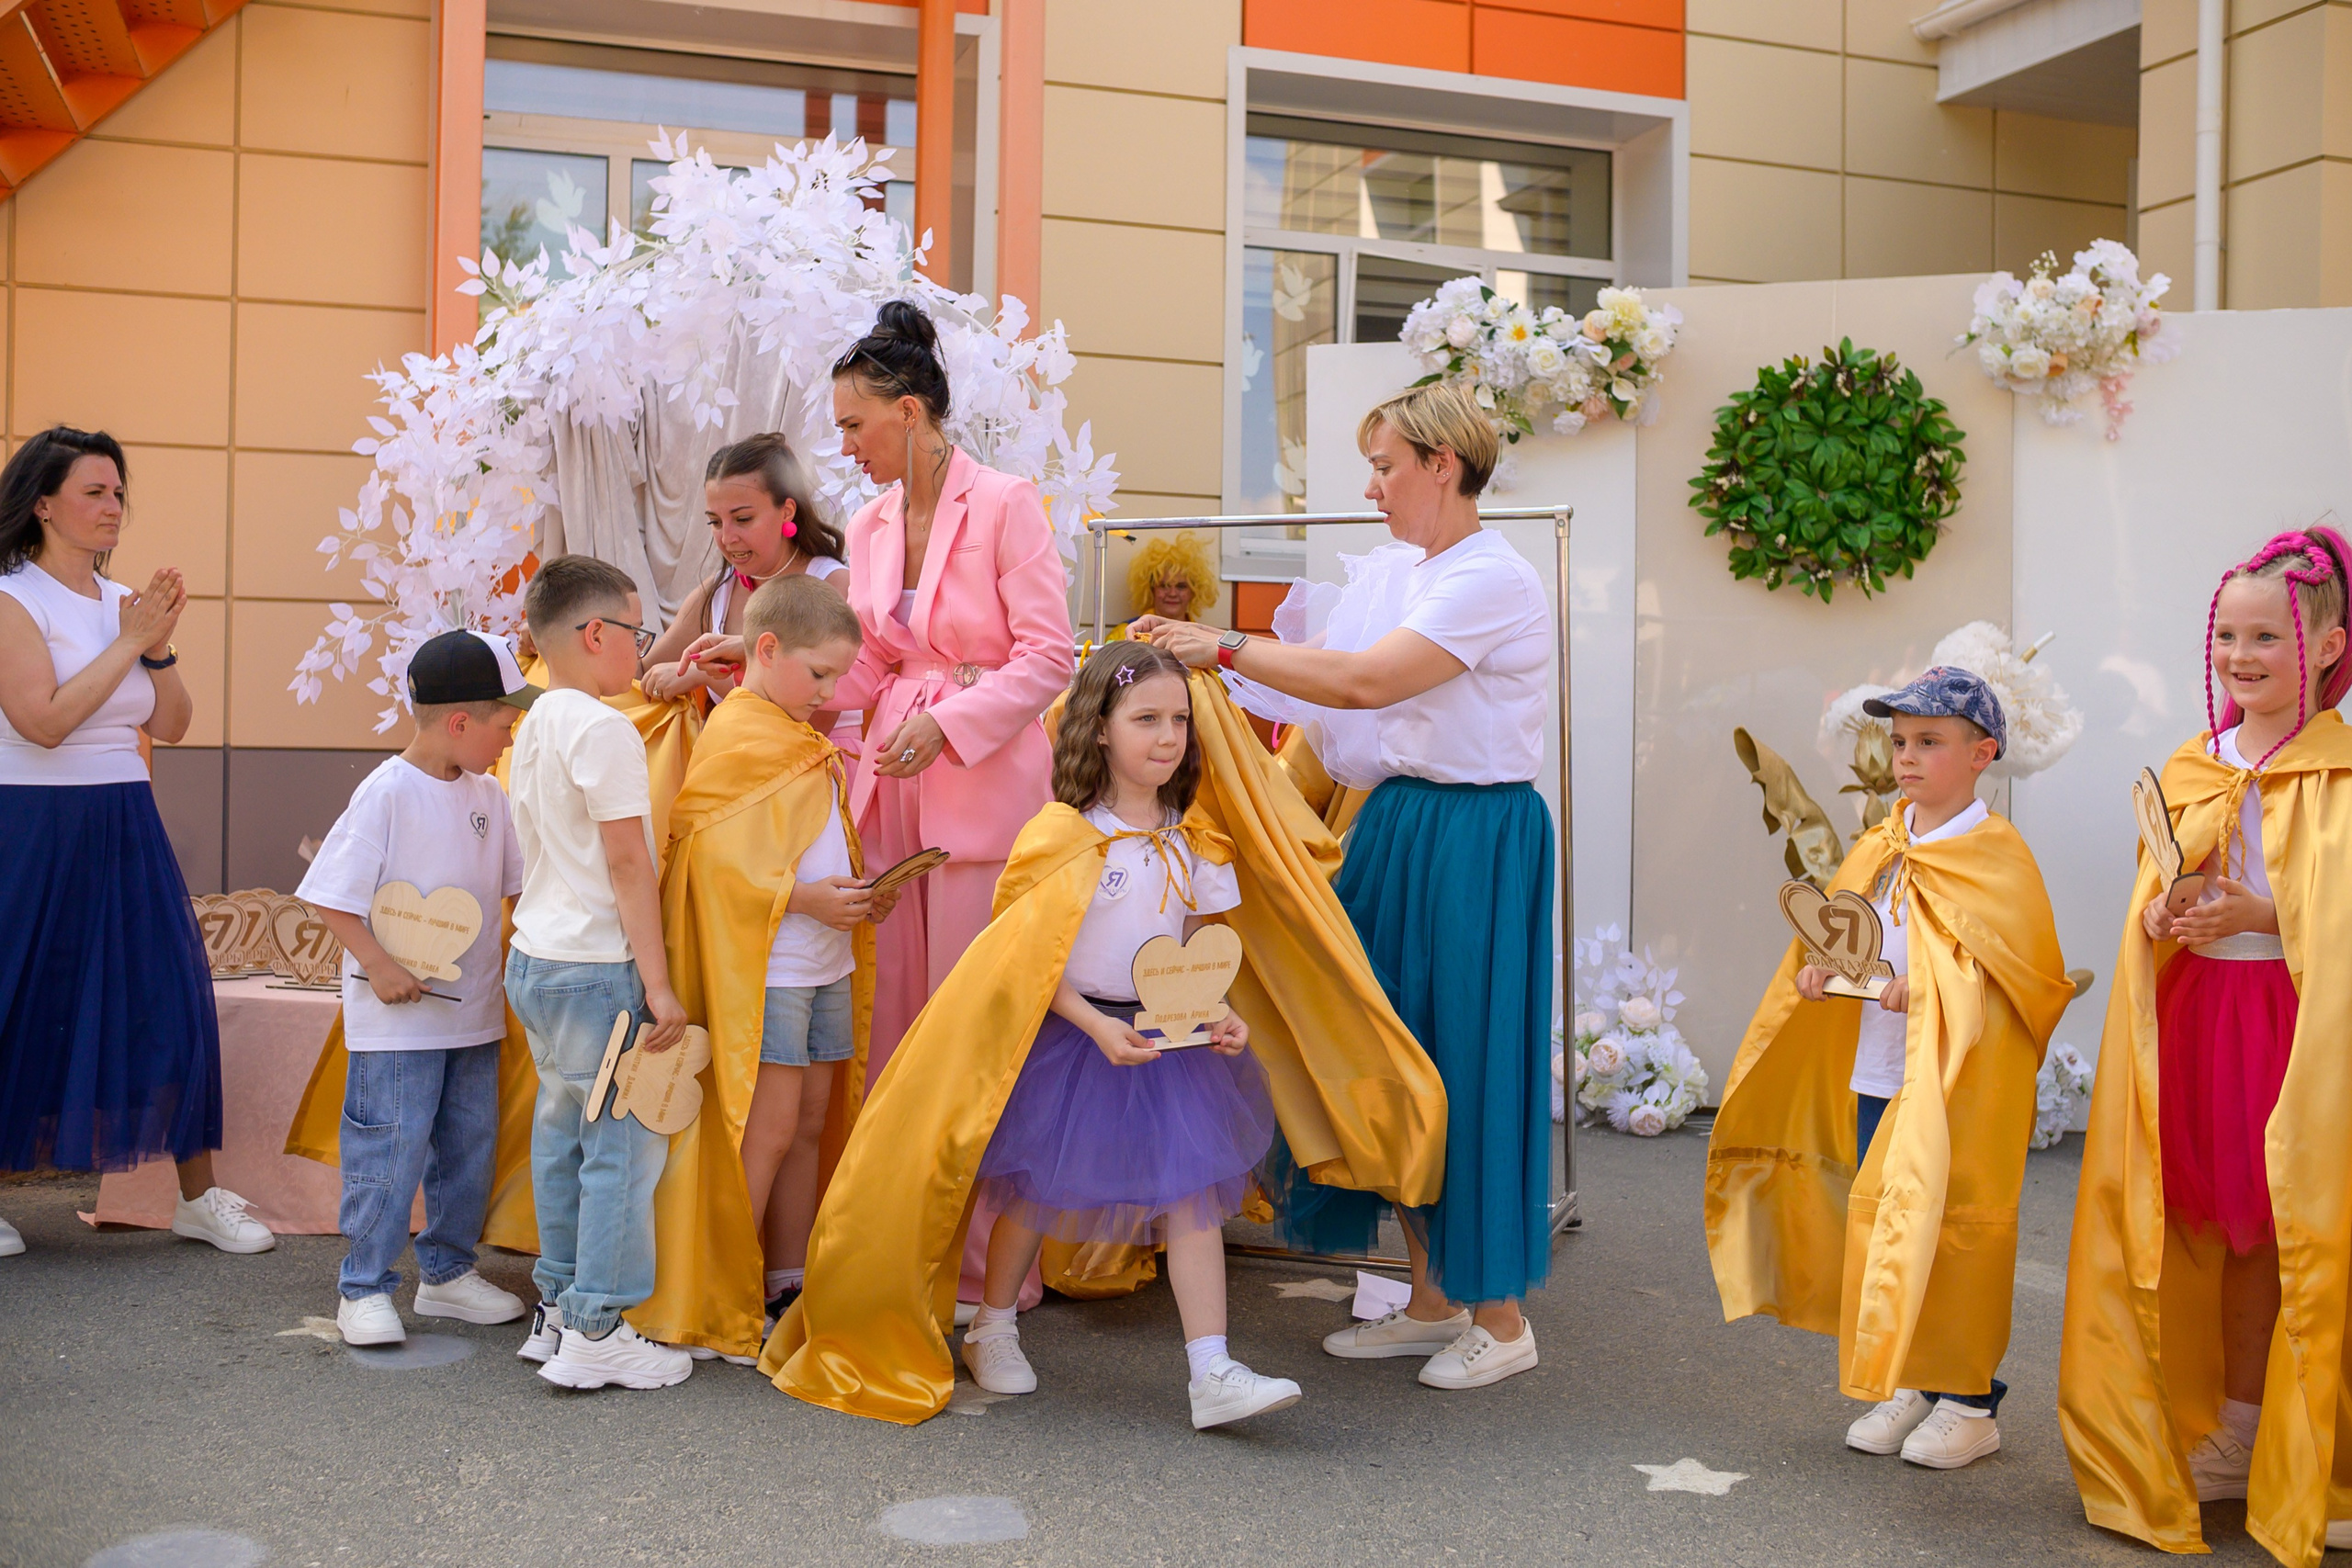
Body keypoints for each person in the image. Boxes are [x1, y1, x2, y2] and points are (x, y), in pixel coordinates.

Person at [763, 660, 1448, 1425]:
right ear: (1099, 729)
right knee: (1039, 1185)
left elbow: (1196, 948)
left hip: (1167, 1041)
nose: (1167, 737)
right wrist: (1093, 1023)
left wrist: (1217, 1012)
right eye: (1145, 719)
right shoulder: (1062, 836)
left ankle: (1210, 1368)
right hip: (1077, 1034)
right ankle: (992, 1325)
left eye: (1179, 721)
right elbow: (1025, 957)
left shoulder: (1197, 840)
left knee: (1192, 1194)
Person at [1136, 379, 1554, 1391]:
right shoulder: (1411, 572)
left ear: (1440, 466)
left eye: (1382, 465)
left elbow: (1366, 683)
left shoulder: (1489, 577)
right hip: (1400, 823)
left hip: (1473, 835)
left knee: (1457, 1060)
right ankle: (1432, 1299)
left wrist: (1224, 644)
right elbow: (1336, 677)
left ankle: (1499, 1321)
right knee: (1385, 1043)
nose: (1370, 488)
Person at [690, 301, 1074, 1088]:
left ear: (907, 412)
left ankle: (977, 1204)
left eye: (854, 425)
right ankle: (896, 1190)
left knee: (973, 1000)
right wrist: (765, 665)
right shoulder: (868, 526)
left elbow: (1049, 657)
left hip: (983, 774)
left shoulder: (1005, 502)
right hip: (888, 773)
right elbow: (862, 669)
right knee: (890, 992)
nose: (845, 445)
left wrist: (947, 724)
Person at [2061, 527, 2352, 1561]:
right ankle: (2232, 1430)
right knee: (2228, 1234)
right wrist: (2162, 917)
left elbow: (2335, 914)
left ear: (2323, 647)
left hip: (2299, 1026)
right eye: (2227, 633)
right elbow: (2163, 889)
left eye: (2266, 635)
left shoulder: (2340, 774)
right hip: (2201, 1027)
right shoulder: (2196, 764)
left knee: (2300, 1234)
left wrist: (2257, 920)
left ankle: (2309, 1446)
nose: (2241, 654)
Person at [1702, 669, 2074, 1469]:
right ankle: (1912, 1373)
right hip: (1878, 1071)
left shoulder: (1996, 857)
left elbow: (2026, 975)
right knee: (1885, 1222)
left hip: (1953, 1088)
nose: (1907, 757)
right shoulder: (1882, 842)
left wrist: (1933, 987)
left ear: (1983, 753)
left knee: (1957, 1227)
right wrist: (1815, 973)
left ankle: (1969, 1397)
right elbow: (1845, 938)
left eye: (1929, 742)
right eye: (1900, 741)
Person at [0, 425, 272, 1258]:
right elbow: (40, 722)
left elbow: (176, 723)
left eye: (119, 492)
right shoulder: (13, 596)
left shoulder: (120, 606)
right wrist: (129, 639)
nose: (113, 506)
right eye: (94, 491)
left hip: (125, 815)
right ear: (43, 503)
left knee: (171, 995)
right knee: (18, 1001)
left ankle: (198, 1197)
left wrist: (156, 645)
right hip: (32, 820)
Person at [630, 575, 893, 1363]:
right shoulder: (740, 732)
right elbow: (707, 865)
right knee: (768, 1129)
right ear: (765, 650)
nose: (831, 692)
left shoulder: (797, 734)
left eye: (838, 676)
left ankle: (783, 1275)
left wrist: (852, 896)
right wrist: (805, 897)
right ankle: (726, 1288)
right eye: (818, 674)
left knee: (810, 1122)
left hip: (825, 963)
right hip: (773, 971)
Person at [296, 630, 537, 1345]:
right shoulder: (386, 792)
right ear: (460, 722)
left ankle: (446, 1274)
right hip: (398, 1020)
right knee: (390, 1146)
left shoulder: (489, 794)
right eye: (504, 721)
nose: (509, 734)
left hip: (472, 1016)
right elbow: (331, 895)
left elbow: (520, 886)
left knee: (469, 1146)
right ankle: (363, 1286)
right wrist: (379, 963)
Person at [504, 555, 694, 1392]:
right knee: (620, 1146)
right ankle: (599, 1326)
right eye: (636, 632)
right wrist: (659, 987)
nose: (642, 652)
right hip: (596, 964)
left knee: (562, 1134)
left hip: (536, 957)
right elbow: (628, 865)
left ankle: (557, 1308)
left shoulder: (539, 718)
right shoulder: (606, 728)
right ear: (595, 634)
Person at [638, 434, 850, 712]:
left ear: (787, 511)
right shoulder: (715, 593)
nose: (727, 538)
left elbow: (816, 710)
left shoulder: (833, 584)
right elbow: (641, 673)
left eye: (742, 520)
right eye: (715, 522)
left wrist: (703, 674)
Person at [1116, 533, 1219, 629]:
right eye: (1164, 585)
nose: (1172, 593)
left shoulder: (1203, 637)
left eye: (1181, 586)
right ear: (1152, 589)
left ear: (1193, 591)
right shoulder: (1125, 633)